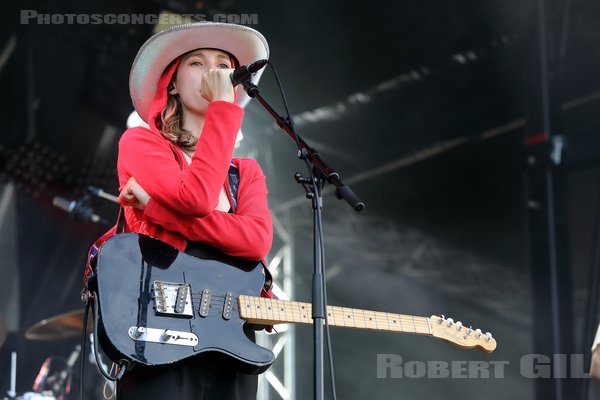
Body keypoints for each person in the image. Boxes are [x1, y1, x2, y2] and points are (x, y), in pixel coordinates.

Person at [86, 21, 273, 400]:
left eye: (224, 64)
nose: (215, 71)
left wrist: (156, 210)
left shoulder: (246, 173)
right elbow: (197, 198)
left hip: (227, 337)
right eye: (197, 63)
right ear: (170, 82)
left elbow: (255, 243)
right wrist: (222, 107)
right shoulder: (141, 144)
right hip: (158, 330)